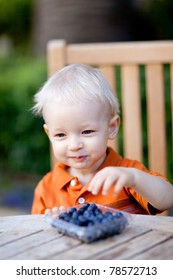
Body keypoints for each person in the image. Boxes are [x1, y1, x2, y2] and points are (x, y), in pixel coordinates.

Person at [31, 64, 173, 215]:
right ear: (49, 134)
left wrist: (133, 178)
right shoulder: (47, 187)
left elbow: (168, 199)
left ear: (111, 127)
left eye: (87, 132)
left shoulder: (125, 174)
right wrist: (51, 224)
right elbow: (35, 234)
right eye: (60, 135)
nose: (74, 145)